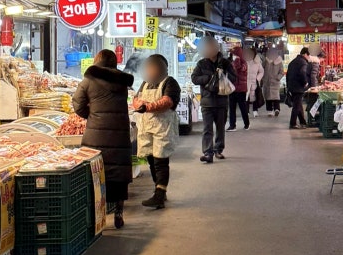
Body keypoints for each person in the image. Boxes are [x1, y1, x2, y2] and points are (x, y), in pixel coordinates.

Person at [73, 49, 134, 229]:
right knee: (119, 173)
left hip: (96, 135)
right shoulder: (122, 81)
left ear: (97, 60)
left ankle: (96, 217)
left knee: (96, 172)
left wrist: (93, 116)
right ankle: (119, 211)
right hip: (120, 133)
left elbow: (77, 104)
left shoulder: (89, 80)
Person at [132, 54, 181, 210]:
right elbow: (135, 99)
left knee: (161, 160)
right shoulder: (146, 83)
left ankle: (159, 194)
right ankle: (158, 189)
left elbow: (167, 102)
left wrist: (147, 106)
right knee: (151, 159)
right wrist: (140, 104)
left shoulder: (170, 83)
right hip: (147, 128)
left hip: (163, 129)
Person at [191, 37, 236, 163]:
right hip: (207, 102)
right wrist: (208, 78)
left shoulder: (225, 63)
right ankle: (207, 153)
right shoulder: (201, 64)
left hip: (221, 101)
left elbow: (234, 78)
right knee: (207, 129)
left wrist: (223, 77)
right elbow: (194, 78)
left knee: (220, 128)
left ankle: (218, 150)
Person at [286, 47, 310, 129]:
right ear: (305, 54)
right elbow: (302, 72)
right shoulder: (303, 62)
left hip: (292, 86)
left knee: (298, 104)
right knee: (296, 106)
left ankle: (303, 122)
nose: (309, 57)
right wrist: (305, 82)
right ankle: (292, 123)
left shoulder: (292, 62)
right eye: (308, 55)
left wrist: (288, 86)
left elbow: (287, 75)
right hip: (298, 87)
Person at [227, 45, 249, 130]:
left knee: (242, 107)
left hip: (241, 89)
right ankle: (232, 125)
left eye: (234, 54)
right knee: (232, 108)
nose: (233, 56)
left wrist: (237, 60)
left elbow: (238, 68)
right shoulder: (231, 62)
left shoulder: (244, 63)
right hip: (232, 88)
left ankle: (246, 123)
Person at [263, 50, 284, 116]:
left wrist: (278, 78)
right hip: (267, 81)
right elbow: (262, 69)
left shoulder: (279, 62)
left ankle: (276, 109)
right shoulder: (266, 60)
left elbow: (282, 72)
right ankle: (270, 110)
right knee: (267, 96)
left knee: (276, 96)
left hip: (275, 81)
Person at [246, 46, 265, 118]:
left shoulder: (257, 62)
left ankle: (255, 110)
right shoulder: (244, 62)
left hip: (254, 81)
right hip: (246, 82)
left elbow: (261, 71)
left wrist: (258, 78)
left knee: (255, 96)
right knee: (246, 97)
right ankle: (246, 111)